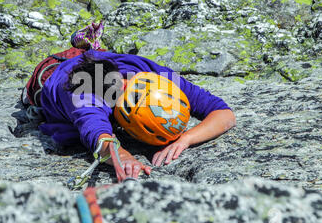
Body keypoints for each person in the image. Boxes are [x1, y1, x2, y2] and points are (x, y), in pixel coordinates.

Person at [37, 48, 236, 180]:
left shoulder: (154, 75)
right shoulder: (85, 98)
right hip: (50, 72)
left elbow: (224, 114)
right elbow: (98, 135)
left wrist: (185, 139)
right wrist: (123, 156)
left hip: (92, 58)